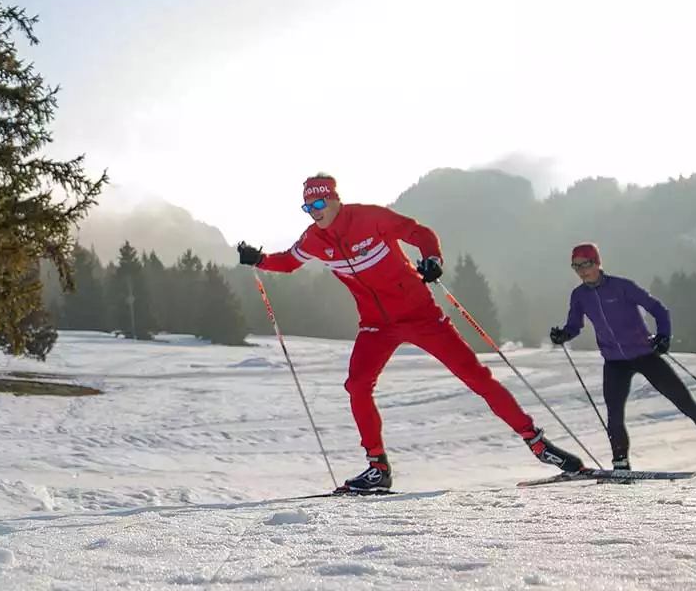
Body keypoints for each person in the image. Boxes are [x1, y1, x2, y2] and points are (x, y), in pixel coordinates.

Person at [237, 173, 584, 492]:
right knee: (357, 385)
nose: (314, 212)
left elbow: (419, 233)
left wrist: (432, 259)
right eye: (307, 207)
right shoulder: (315, 239)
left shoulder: (370, 217)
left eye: (319, 204)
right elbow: (288, 261)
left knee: (476, 377)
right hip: (376, 326)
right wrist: (259, 259)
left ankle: (537, 443)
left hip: (421, 316)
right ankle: (377, 468)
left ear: (335, 199)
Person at [550, 242, 696, 473]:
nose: (582, 270)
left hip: (645, 355)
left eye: (586, 264)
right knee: (614, 416)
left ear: (597, 262)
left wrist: (663, 336)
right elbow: (574, 325)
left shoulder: (622, 287)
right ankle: (621, 466)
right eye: (576, 266)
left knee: (687, 405)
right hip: (615, 362)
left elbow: (659, 309)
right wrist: (564, 334)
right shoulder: (580, 296)